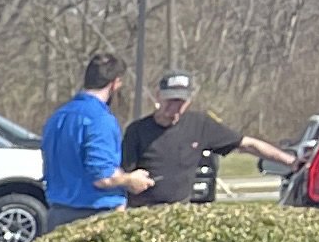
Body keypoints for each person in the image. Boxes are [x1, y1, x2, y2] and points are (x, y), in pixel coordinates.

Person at [120, 74, 296, 208]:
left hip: (181, 212)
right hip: (143, 211)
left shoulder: (200, 124)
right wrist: (130, 181)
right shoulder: (137, 130)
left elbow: (248, 144)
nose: (174, 106)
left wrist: (291, 161)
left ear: (188, 101)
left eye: (180, 101)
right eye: (170, 100)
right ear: (158, 96)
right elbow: (121, 174)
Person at [40, 54, 152, 226]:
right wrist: (130, 180)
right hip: (93, 217)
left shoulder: (58, 117)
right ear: (115, 83)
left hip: (57, 213)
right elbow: (103, 177)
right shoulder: (99, 119)